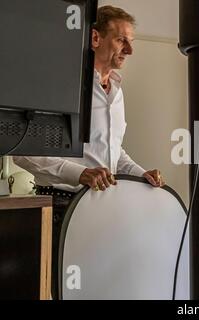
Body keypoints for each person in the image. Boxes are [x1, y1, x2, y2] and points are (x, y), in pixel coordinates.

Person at [13, 5, 164, 297]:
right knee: (61, 292)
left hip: (103, 211)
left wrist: (139, 172)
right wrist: (80, 174)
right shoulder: (60, 87)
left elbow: (115, 153)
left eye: (131, 41)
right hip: (61, 210)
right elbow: (24, 151)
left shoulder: (117, 91)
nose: (130, 50)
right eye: (122, 40)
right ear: (95, 38)